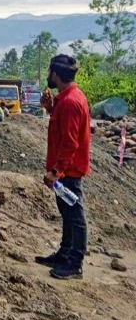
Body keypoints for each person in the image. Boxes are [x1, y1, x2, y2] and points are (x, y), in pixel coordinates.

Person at [35, 55, 90, 280]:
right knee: (67, 213)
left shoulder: (69, 103)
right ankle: (65, 253)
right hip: (64, 170)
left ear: (55, 75)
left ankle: (75, 263)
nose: (48, 76)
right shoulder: (65, 99)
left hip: (68, 171)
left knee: (74, 215)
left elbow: (70, 143)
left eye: (49, 72)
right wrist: (49, 108)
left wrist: (56, 172)